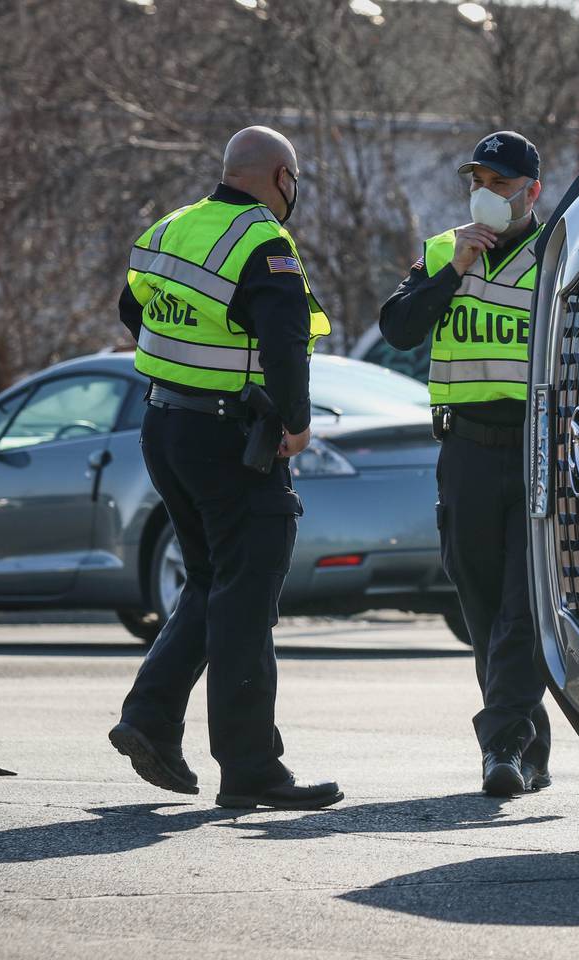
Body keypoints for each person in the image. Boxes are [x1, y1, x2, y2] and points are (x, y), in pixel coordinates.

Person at [108, 125, 342, 811]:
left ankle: (149, 718)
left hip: (164, 428)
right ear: (278, 178)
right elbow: (286, 343)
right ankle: (251, 771)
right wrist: (295, 427)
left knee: (212, 580)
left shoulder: (172, 227)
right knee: (245, 600)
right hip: (229, 441)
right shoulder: (264, 242)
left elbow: (133, 309)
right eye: (294, 181)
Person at [379, 131, 550, 797]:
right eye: (477, 181)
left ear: (531, 191)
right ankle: (527, 745)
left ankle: (501, 743)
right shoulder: (446, 251)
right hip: (466, 449)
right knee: (481, 602)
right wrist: (451, 272)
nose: (485, 194)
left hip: (536, 448)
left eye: (500, 183)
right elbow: (398, 328)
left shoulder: (560, 255)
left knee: (523, 605)